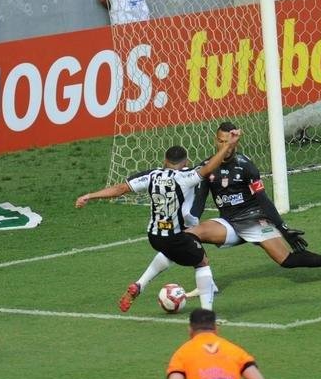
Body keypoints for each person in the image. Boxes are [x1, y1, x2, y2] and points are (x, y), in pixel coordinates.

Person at [75, 128, 241, 311]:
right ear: (185, 162)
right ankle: (207, 316)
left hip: (154, 236)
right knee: (202, 261)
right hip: (175, 236)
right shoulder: (185, 178)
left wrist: (90, 196)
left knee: (171, 252)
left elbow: (120, 189)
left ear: (165, 161)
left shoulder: (151, 175)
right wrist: (228, 146)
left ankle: (139, 285)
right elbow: (209, 168)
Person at [188, 121, 321, 279]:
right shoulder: (207, 166)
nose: (225, 146)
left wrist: (284, 229)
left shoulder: (246, 166)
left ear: (235, 142)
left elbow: (263, 200)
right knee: (190, 234)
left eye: (228, 142)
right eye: (221, 141)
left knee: (287, 261)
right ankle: (206, 284)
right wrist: (190, 221)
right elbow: (199, 202)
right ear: (215, 140)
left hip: (253, 219)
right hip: (228, 223)